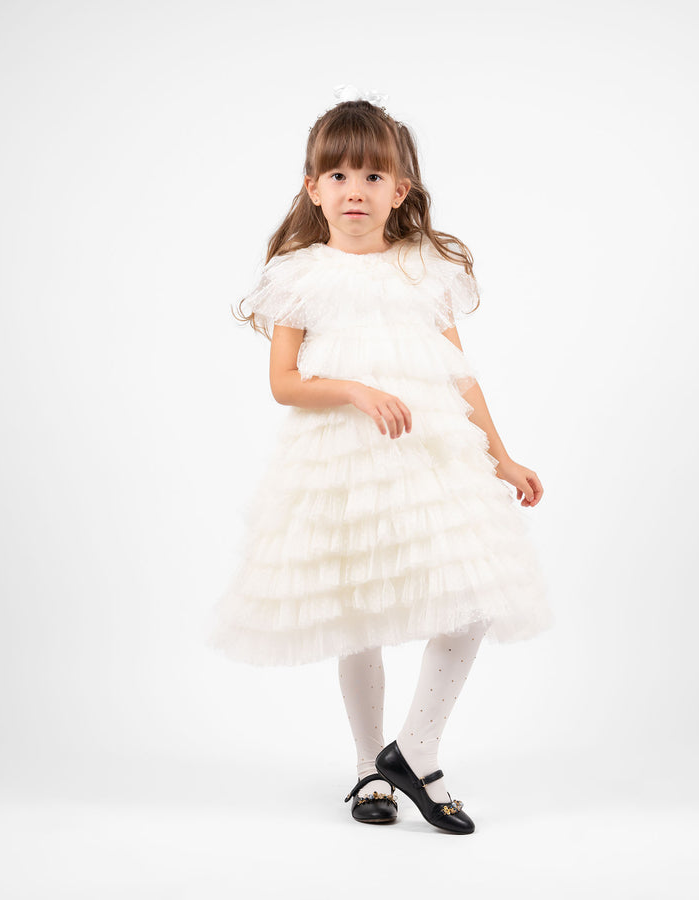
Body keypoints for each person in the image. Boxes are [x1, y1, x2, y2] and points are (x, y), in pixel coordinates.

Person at [208, 84, 553, 834]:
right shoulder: (299, 275)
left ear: (400, 190)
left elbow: (460, 375)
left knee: (476, 596)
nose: (354, 191)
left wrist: (501, 457)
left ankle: (415, 750)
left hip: (430, 457)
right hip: (340, 461)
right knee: (358, 613)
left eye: (372, 175)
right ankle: (372, 769)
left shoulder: (424, 270)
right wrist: (356, 390)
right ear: (313, 188)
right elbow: (284, 383)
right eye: (337, 175)